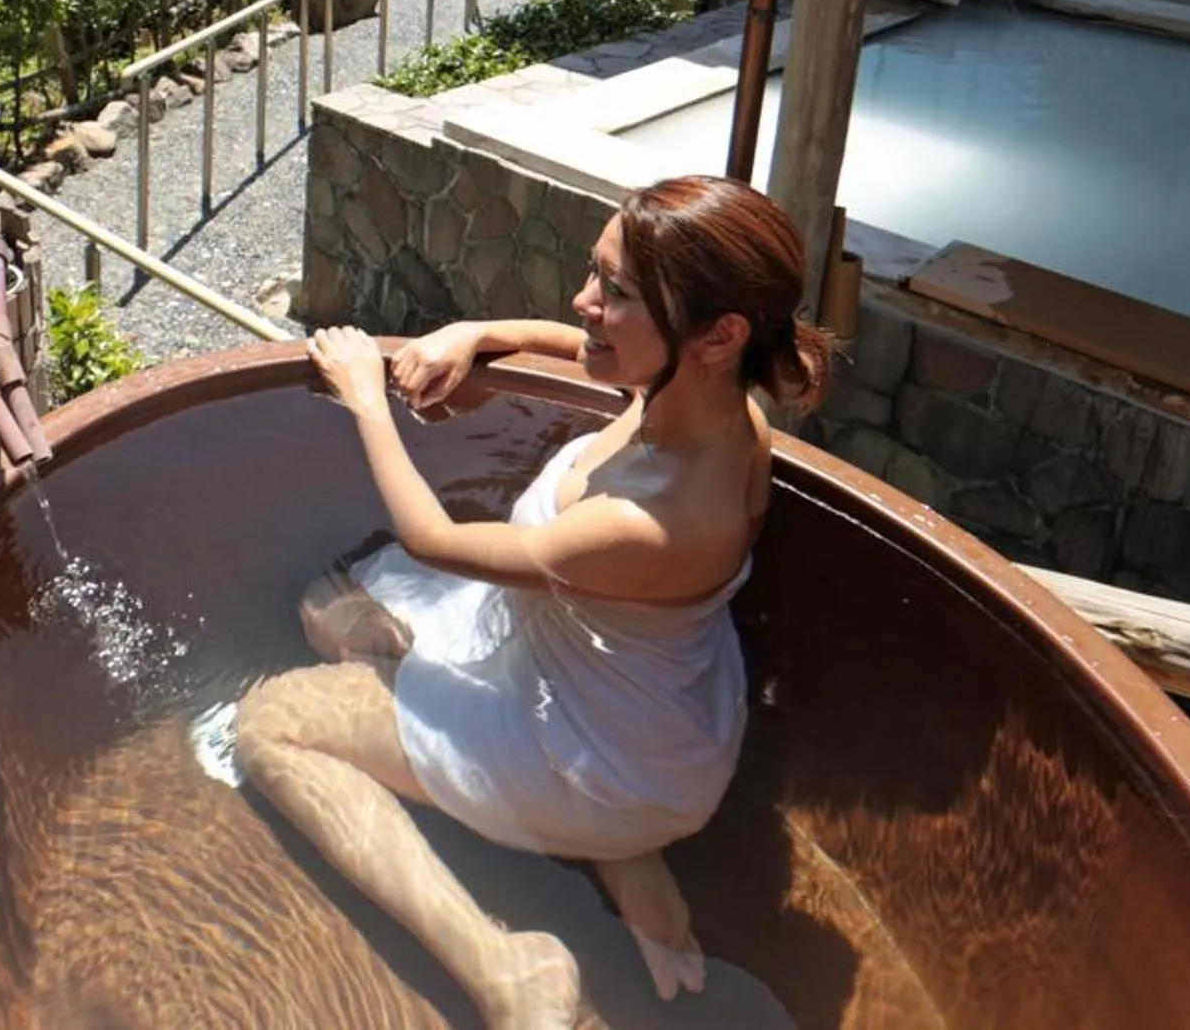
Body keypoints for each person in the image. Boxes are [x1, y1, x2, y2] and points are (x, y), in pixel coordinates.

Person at [234, 175, 831, 1029]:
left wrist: (367, 398)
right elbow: (590, 352)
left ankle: (505, 964)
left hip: (601, 755)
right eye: (595, 273)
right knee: (331, 611)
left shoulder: (656, 519)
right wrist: (480, 331)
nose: (582, 301)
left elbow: (434, 542)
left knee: (270, 728)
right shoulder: (709, 403)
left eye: (613, 291)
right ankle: (622, 852)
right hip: (647, 714)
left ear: (717, 332)